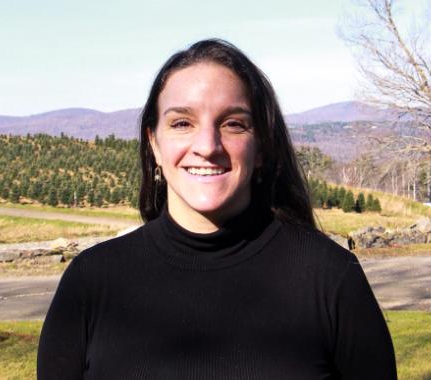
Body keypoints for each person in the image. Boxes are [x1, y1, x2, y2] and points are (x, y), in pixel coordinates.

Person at [37, 39, 397, 379]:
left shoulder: (330, 278)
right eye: (182, 123)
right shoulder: (92, 282)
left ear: (262, 147)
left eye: (233, 124)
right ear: (154, 145)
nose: (207, 146)